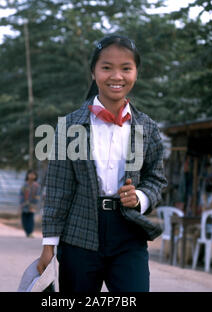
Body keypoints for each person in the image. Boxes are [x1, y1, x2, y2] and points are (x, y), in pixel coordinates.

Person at [37, 35, 167, 292]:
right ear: (94, 72)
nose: (116, 76)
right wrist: (48, 246)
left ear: (136, 73)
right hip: (79, 235)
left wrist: (140, 197)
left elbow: (156, 178)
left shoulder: (147, 128)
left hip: (129, 234)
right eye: (107, 67)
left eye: (126, 68)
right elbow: (58, 189)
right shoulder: (69, 127)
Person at [19, 170, 41, 238]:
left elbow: (38, 195)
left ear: (35, 176)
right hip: (24, 204)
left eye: (33, 175)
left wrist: (34, 202)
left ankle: (30, 232)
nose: (31, 176)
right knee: (24, 219)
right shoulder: (24, 185)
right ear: (27, 175)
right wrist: (22, 202)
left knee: (30, 218)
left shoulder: (37, 186)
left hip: (32, 205)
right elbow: (21, 194)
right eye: (30, 174)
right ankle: (27, 231)